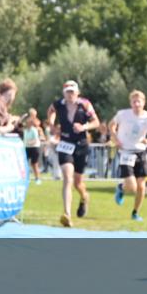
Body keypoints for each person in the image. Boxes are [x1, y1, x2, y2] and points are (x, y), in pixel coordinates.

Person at [47, 80, 99, 227]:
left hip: (81, 145)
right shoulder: (59, 104)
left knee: (77, 183)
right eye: (67, 92)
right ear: (64, 93)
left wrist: (83, 127)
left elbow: (96, 122)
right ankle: (67, 214)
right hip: (65, 143)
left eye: (72, 91)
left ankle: (84, 197)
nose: (70, 94)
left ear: (77, 93)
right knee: (67, 178)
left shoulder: (85, 104)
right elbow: (50, 111)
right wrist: (52, 125)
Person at [109, 90, 147, 222]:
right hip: (125, 151)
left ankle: (135, 212)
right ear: (130, 103)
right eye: (134, 101)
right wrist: (115, 139)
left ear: (144, 103)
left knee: (141, 186)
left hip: (140, 152)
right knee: (132, 186)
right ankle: (121, 187)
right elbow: (111, 125)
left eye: (139, 101)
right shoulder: (123, 114)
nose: (136, 104)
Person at [19, 109, 45, 184]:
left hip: (34, 147)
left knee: (34, 164)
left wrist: (28, 142)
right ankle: (25, 178)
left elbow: (35, 139)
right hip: (27, 147)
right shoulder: (25, 130)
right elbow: (19, 125)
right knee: (25, 163)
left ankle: (38, 178)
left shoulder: (34, 129)